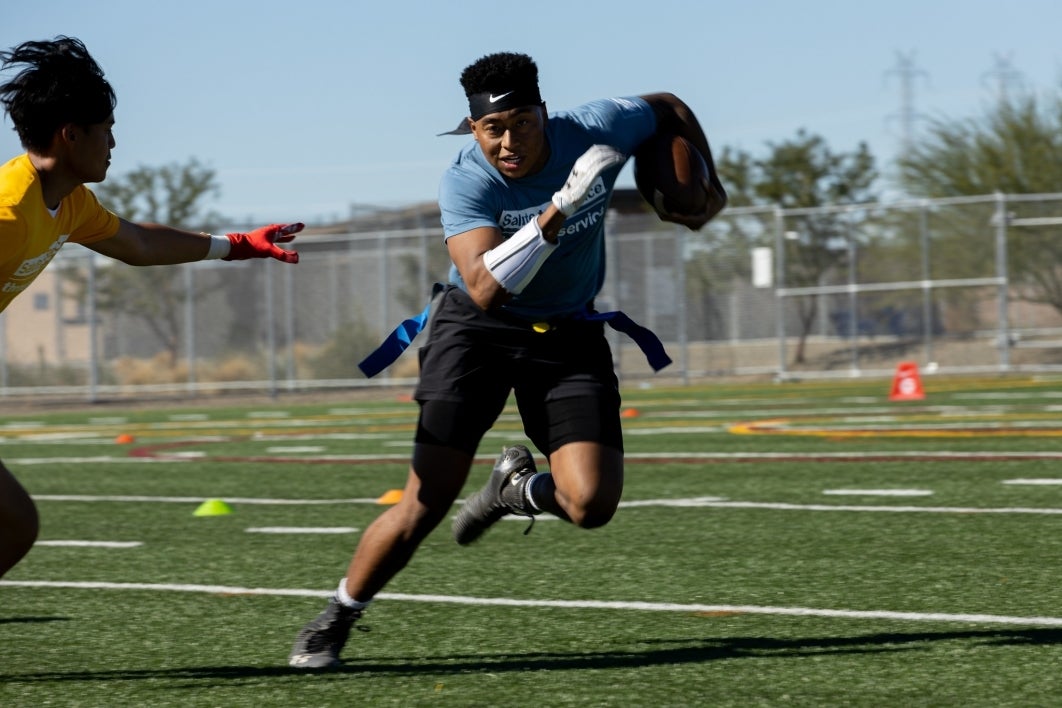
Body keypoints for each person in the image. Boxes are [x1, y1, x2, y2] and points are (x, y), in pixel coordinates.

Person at [288, 51, 725, 669]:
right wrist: (559, 209)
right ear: (473, 130)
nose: (510, 141)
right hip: (476, 331)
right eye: (494, 129)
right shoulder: (467, 179)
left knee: (591, 503)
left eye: (523, 122)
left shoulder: (595, 128)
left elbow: (665, 108)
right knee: (427, 499)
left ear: (544, 114)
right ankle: (337, 614)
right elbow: (487, 286)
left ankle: (513, 490)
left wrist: (706, 182)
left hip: (568, 331)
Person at [0, 36, 303, 579]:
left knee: (14, 525)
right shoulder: (7, 214)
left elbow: (137, 244)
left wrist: (236, 245)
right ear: (71, 135)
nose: (115, 142)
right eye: (106, 129)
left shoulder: (68, 202)